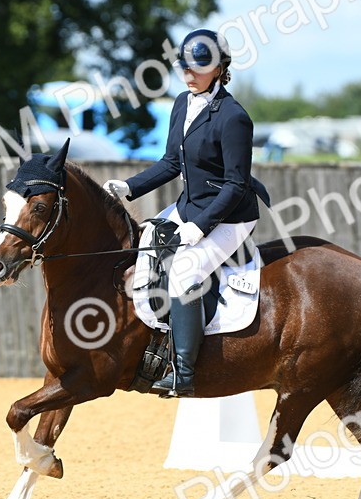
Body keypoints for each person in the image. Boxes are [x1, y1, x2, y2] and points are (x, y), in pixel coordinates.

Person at [104, 28, 270, 397]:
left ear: (220, 68)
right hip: (188, 206)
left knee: (184, 271)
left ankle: (184, 372)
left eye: (198, 67)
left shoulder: (233, 117)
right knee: (145, 246)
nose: (188, 73)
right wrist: (129, 187)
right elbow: (170, 163)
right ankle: (154, 342)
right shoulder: (182, 102)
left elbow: (236, 185)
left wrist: (201, 227)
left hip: (230, 215)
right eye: (184, 66)